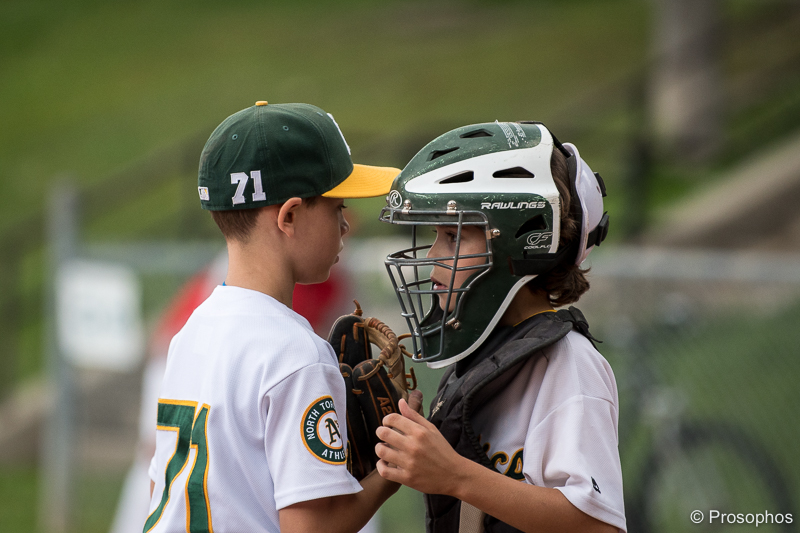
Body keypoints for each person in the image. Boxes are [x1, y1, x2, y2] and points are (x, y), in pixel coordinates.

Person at [144, 101, 419, 533]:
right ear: (289, 216)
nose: (346, 225)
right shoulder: (296, 354)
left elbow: (168, 489)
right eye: (337, 207)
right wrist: (391, 469)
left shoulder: (192, 332)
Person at [374, 121, 625, 532]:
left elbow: (598, 525)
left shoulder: (568, 366)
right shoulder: (485, 356)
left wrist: (455, 475)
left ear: (515, 240)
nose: (433, 255)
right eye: (436, 235)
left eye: (454, 237)